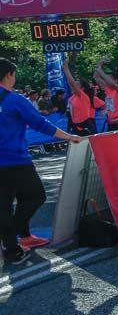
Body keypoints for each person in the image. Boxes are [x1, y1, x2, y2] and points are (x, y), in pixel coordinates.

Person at [0, 59, 81, 264]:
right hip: (14, 160)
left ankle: (22, 238)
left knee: (5, 204)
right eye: (14, 76)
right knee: (35, 196)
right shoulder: (14, 99)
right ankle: (9, 240)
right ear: (9, 74)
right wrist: (68, 136)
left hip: (8, 162)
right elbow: (39, 123)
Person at [62, 58, 104, 136]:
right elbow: (70, 83)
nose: (74, 86)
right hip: (75, 125)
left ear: (82, 88)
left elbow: (71, 83)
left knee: (92, 144)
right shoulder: (72, 97)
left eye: (77, 85)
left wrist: (66, 69)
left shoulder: (83, 96)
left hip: (86, 124)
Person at [93, 59, 118, 131]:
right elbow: (96, 77)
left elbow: (111, 83)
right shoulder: (108, 90)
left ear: (115, 80)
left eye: (108, 78)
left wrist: (100, 70)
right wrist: (99, 65)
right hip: (111, 122)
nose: (105, 80)